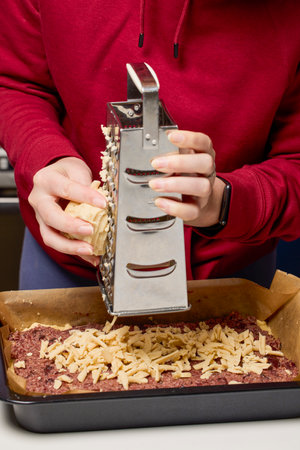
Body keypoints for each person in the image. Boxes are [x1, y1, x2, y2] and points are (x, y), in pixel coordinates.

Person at [0, 0, 299, 290]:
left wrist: (225, 202)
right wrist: (44, 154)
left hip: (231, 271)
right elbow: (15, 82)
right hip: (69, 262)